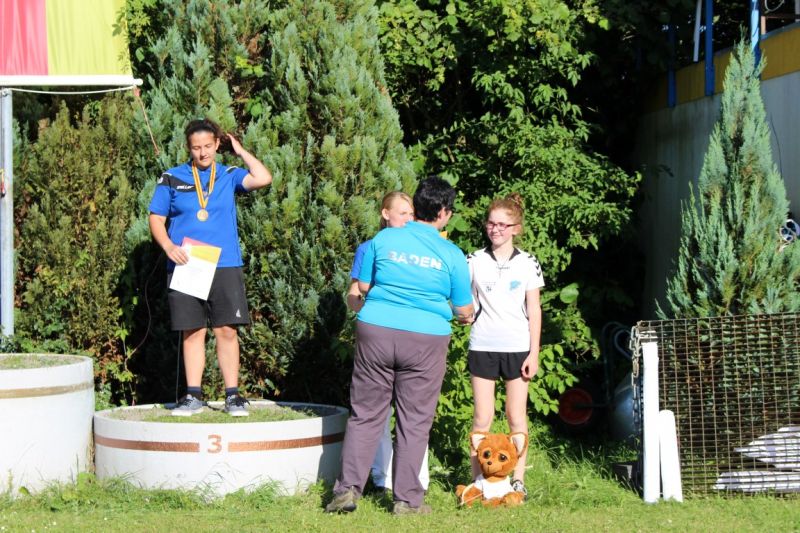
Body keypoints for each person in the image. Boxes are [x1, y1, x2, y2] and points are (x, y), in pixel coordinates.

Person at [327, 176, 474, 515]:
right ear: (444, 213)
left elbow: (364, 286)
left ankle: (347, 490)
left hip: (376, 329)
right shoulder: (452, 254)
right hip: (426, 338)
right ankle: (406, 500)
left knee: (366, 413)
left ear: (416, 206)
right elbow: (463, 308)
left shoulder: (383, 238)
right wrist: (465, 316)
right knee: (415, 419)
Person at [148, 118, 272, 417]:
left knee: (226, 330)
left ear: (217, 144)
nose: (202, 153)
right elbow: (156, 218)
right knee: (192, 332)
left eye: (207, 146)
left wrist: (240, 151)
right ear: (188, 148)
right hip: (188, 262)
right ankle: (193, 396)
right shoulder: (172, 177)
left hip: (224, 263)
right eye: (196, 148)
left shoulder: (228, 174)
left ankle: (233, 396)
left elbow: (263, 178)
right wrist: (169, 247)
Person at [345, 191, 430, 493]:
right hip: (378, 335)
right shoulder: (370, 247)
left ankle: (416, 481)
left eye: (412, 214)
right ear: (385, 214)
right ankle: (381, 478)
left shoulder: (423, 248)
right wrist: (364, 309)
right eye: (402, 213)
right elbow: (354, 292)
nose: (409, 219)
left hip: (416, 336)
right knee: (375, 413)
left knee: (414, 415)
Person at [466, 193, 544, 499]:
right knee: (482, 417)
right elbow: (464, 303)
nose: (495, 229)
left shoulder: (528, 262)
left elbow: (534, 309)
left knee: (516, 417)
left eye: (502, 224)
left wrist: (534, 353)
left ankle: (518, 481)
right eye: (491, 223)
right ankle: (478, 481)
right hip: (482, 346)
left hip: (517, 348)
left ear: (516, 228)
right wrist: (462, 314)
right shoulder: (473, 260)